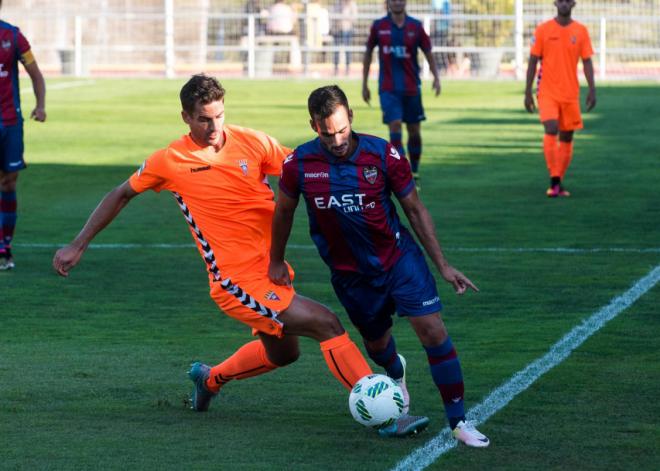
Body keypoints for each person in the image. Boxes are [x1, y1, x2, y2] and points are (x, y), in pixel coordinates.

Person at [52, 74, 376, 425]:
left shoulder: (252, 142)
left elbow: (301, 170)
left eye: (219, 115)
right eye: (204, 118)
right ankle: (380, 411)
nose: (214, 126)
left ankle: (209, 379)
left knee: (284, 354)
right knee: (325, 323)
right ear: (186, 117)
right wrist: (78, 244)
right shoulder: (170, 160)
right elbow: (121, 193)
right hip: (234, 282)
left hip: (271, 271)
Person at [269, 84, 490, 446]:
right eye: (327, 133)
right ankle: (394, 370)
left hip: (398, 260)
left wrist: (443, 266)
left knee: (433, 330)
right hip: (351, 276)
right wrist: (276, 259)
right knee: (376, 345)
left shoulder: (383, 155)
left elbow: (414, 209)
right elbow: (283, 211)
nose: (337, 139)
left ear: (351, 116)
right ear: (313, 126)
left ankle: (459, 421)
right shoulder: (299, 165)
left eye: (341, 129)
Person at [362, 0, 441, 191]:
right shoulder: (379, 26)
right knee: (395, 126)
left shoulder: (416, 26)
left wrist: (436, 77)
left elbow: (428, 52)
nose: (397, 2)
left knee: (414, 132)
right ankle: (403, 173)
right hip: (388, 89)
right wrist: (364, 84)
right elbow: (368, 53)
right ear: (388, 3)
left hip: (412, 88)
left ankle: (414, 171)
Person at [524, 0, 596, 197]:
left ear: (573, 4)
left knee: (567, 137)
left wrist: (592, 89)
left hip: (570, 93)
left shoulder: (581, 31)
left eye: (567, 1)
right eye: (561, 0)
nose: (564, 4)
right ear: (555, 3)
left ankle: (557, 182)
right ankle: (555, 180)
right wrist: (527, 91)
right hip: (547, 92)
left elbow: (587, 61)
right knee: (551, 128)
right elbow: (532, 60)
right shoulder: (543, 30)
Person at [0, 10, 46, 271]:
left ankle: (6, 245)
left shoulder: (13, 36)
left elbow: (36, 74)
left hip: (10, 122)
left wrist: (40, 106)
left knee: (8, 183)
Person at [333, 0, 358, 75]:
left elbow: (354, 17)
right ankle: (336, 69)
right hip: (337, 29)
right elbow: (334, 16)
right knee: (336, 51)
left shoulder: (352, 4)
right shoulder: (337, 3)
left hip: (347, 30)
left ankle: (347, 69)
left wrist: (346, 18)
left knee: (348, 51)